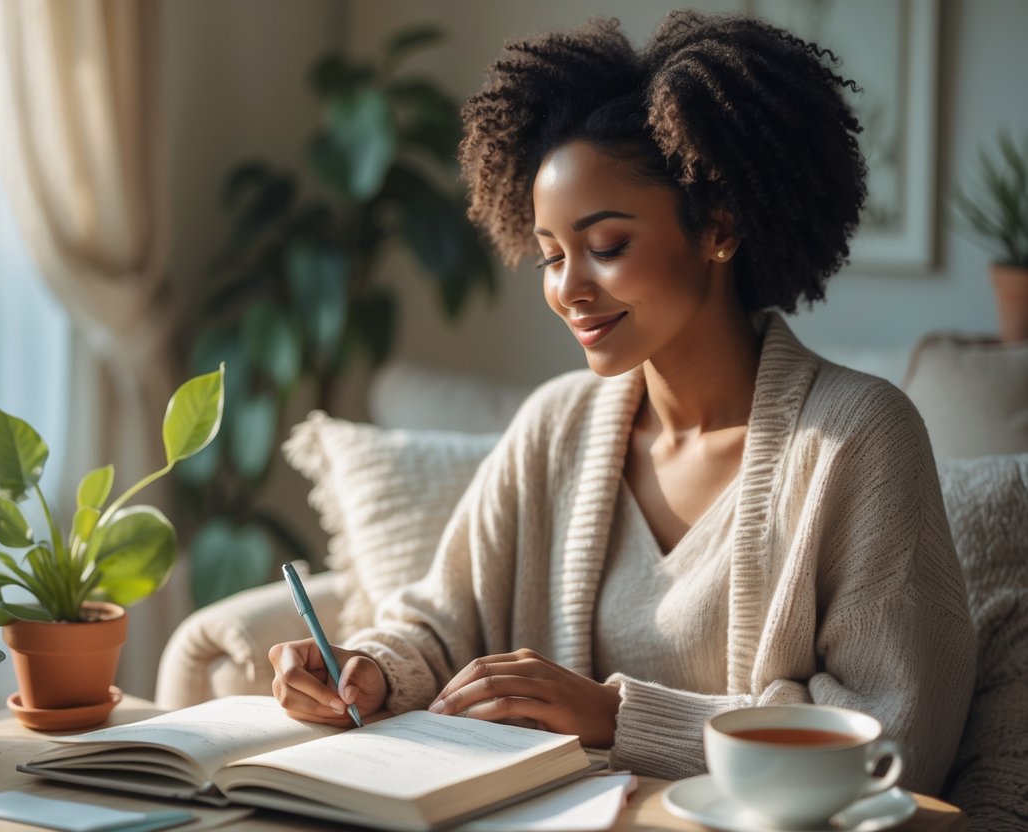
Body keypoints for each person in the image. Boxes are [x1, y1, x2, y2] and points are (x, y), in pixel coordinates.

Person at [267, 10, 976, 794]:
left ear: (718, 226)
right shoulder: (555, 426)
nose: (567, 290)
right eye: (548, 255)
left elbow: (893, 737)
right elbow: (442, 621)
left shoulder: (858, 440)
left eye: (604, 247)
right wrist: (368, 669)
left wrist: (613, 717)